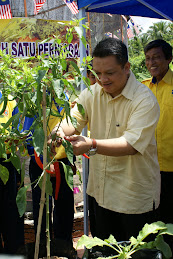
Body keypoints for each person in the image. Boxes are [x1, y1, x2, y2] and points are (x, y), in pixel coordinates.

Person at [49, 38, 161, 242]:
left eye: (109, 73)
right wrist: (57, 132)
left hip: (133, 197)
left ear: (126, 67)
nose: (102, 79)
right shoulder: (92, 93)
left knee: (136, 252)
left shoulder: (144, 100)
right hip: (100, 194)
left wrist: (91, 144)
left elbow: (131, 145)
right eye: (97, 73)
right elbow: (73, 120)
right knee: (103, 250)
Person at [23, 96, 75, 247]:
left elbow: (71, 127)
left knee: (64, 207)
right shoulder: (35, 101)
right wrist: (43, 160)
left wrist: (71, 159)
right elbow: (29, 135)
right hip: (41, 162)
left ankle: (64, 246)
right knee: (42, 207)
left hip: (62, 161)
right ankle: (44, 247)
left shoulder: (64, 99)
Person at [142, 39, 173, 248]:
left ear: (169, 59)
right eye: (148, 58)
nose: (151, 62)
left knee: (171, 222)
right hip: (147, 168)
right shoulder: (142, 89)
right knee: (151, 222)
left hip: (171, 168)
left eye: (156, 57)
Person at [0, 92, 24, 254]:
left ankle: (13, 253)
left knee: (11, 213)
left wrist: (16, 137)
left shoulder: (9, 101)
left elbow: (18, 131)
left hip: (8, 162)